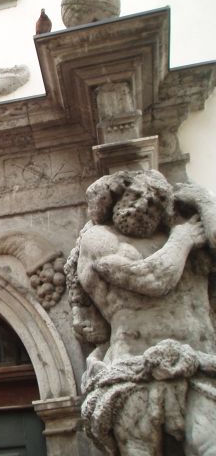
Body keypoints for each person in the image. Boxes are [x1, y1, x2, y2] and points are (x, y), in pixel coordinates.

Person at [65, 170, 216, 455]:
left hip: (200, 362)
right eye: (134, 195)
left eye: (155, 202)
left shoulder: (185, 231)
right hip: (135, 370)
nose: (143, 205)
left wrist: (204, 201)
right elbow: (151, 279)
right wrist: (182, 240)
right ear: (114, 198)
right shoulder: (99, 239)